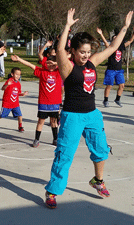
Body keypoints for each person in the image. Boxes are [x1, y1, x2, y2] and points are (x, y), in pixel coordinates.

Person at [44, 9, 132, 209]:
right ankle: (52, 191)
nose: (85, 55)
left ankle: (98, 181)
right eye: (82, 52)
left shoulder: (92, 63)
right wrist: (67, 26)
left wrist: (125, 28)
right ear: (73, 51)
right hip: (72, 116)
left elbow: (113, 48)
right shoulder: (67, 67)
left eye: (88, 52)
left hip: (92, 115)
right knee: (64, 154)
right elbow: (59, 51)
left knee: (101, 151)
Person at [11, 55, 62, 147]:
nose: (51, 66)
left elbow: (66, 64)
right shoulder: (42, 72)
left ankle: (55, 139)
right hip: (43, 102)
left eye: (53, 64)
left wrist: (56, 63)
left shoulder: (59, 72)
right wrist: (19, 59)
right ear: (46, 64)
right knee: (40, 122)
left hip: (54, 103)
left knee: (53, 122)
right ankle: (36, 139)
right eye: (49, 64)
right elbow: (31, 65)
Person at [97, 27, 134, 107]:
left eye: (117, 37)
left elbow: (130, 41)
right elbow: (106, 43)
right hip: (111, 70)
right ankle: (106, 100)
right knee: (109, 86)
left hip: (119, 70)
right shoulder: (110, 48)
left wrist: (133, 32)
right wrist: (101, 34)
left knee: (122, 85)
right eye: (114, 38)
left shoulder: (121, 47)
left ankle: (117, 99)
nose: (116, 38)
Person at [0, 67, 28, 132]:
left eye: (19, 75)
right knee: (1, 115)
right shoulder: (9, 81)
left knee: (20, 115)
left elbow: (18, 93)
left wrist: (22, 94)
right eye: (16, 74)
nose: (18, 76)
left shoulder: (18, 84)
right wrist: (7, 84)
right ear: (12, 74)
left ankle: (20, 126)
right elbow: (2, 88)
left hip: (15, 103)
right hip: (7, 103)